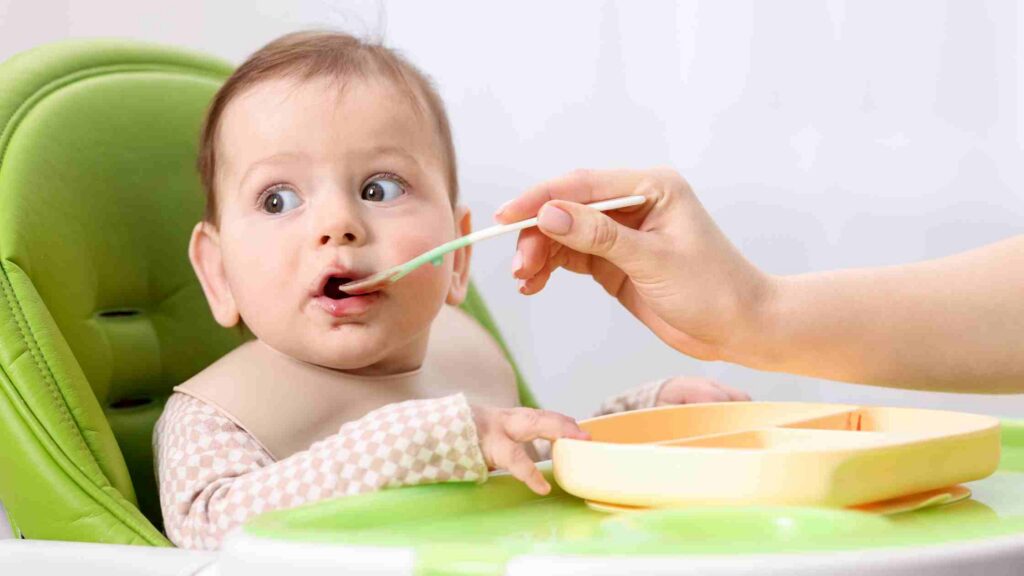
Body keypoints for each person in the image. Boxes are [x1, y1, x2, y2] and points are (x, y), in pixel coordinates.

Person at [154, 34, 749, 551]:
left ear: (459, 257)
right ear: (219, 273)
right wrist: (421, 443)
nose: (337, 223)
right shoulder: (216, 418)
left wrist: (638, 424)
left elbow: (530, 475)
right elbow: (211, 531)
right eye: (278, 199)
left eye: (380, 188)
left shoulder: (464, 353)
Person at [496, 167, 1024, 394]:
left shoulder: (468, 349)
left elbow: (550, 446)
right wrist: (753, 317)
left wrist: (640, 415)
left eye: (406, 188)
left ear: (454, 269)